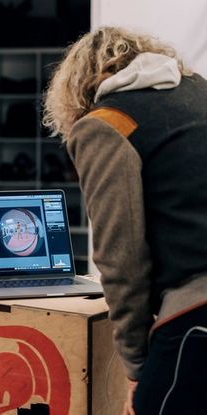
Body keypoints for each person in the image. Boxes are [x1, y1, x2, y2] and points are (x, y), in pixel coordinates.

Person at [43, 26, 207, 414]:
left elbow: (121, 257)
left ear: (77, 85)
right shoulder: (199, 94)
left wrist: (136, 367)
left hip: (196, 312)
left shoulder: (104, 124)